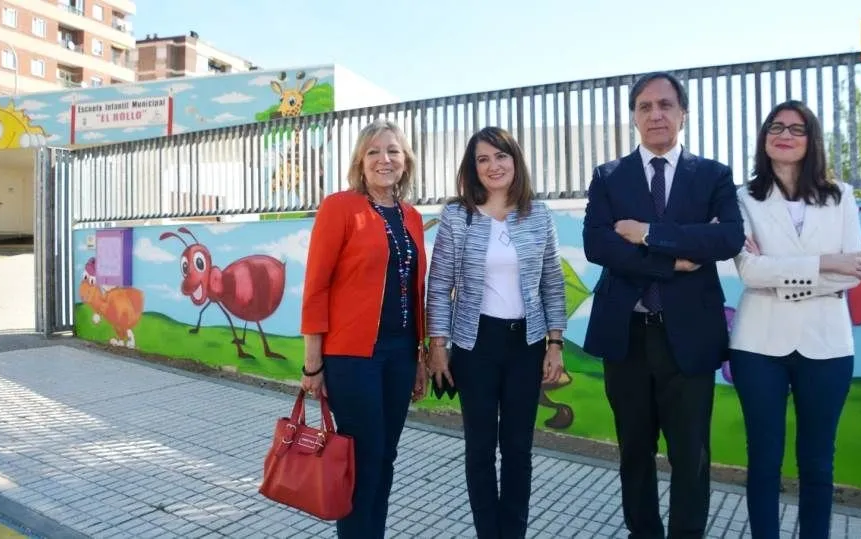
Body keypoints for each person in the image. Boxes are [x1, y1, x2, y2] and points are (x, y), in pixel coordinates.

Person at [582, 71, 745, 539]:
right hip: (627, 335)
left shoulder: (713, 175)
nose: (656, 114)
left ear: (683, 113)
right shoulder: (609, 177)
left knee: (690, 454)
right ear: (633, 116)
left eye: (666, 105)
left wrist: (649, 235)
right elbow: (598, 245)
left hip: (689, 338)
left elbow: (726, 237)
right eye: (645, 106)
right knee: (634, 450)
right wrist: (673, 263)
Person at [729, 100, 861, 539]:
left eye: (797, 128)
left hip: (827, 344)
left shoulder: (840, 196)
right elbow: (749, 270)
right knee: (764, 461)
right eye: (776, 126)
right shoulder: (742, 198)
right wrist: (828, 262)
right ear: (764, 138)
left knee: (817, 462)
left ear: (812, 141)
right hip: (758, 347)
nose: (784, 134)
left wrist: (780, 274)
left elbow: (857, 271)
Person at [426, 126, 567, 539]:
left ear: (514, 161)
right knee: (481, 450)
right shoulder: (457, 216)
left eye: (500, 156)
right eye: (482, 159)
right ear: (473, 168)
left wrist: (554, 343)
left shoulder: (537, 214)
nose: (493, 166)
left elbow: (552, 283)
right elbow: (439, 283)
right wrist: (438, 344)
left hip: (527, 343)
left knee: (519, 450)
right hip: (475, 344)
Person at [299, 118, 430, 539]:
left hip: (400, 353)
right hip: (352, 356)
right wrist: (312, 363)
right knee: (362, 457)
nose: (383, 159)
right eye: (373, 151)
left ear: (405, 160)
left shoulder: (411, 217)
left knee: (385, 456)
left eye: (392, 150)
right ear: (360, 160)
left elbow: (414, 289)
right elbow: (316, 285)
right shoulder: (340, 207)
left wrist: (420, 357)